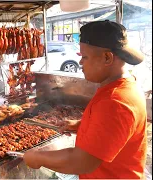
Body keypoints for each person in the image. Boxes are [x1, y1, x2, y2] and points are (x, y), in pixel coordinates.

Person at [23, 20, 147, 179]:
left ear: (107, 58)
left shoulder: (115, 101)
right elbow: (114, 129)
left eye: (85, 57)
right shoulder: (124, 86)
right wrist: (83, 126)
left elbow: (82, 162)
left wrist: (38, 157)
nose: (80, 63)